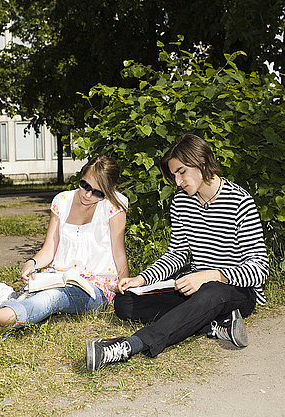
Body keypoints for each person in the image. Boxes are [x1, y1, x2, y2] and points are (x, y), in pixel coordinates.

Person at [86, 133, 269, 371]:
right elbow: (177, 254)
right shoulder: (181, 202)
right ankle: (213, 326)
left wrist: (211, 275)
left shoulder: (240, 201)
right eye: (173, 175)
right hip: (195, 284)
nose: (177, 180)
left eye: (181, 172)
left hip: (234, 292)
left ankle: (130, 345)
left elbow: (259, 268)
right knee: (125, 302)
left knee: (211, 293)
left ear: (202, 162)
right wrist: (141, 279)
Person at [0, 155, 129, 350]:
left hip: (95, 288)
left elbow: (119, 252)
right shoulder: (63, 201)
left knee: (54, 297)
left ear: (107, 192)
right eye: (84, 185)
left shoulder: (114, 207)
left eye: (97, 193)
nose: (87, 195)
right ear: (81, 176)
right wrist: (32, 263)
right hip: (59, 276)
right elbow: (49, 248)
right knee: (38, 294)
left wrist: (125, 282)